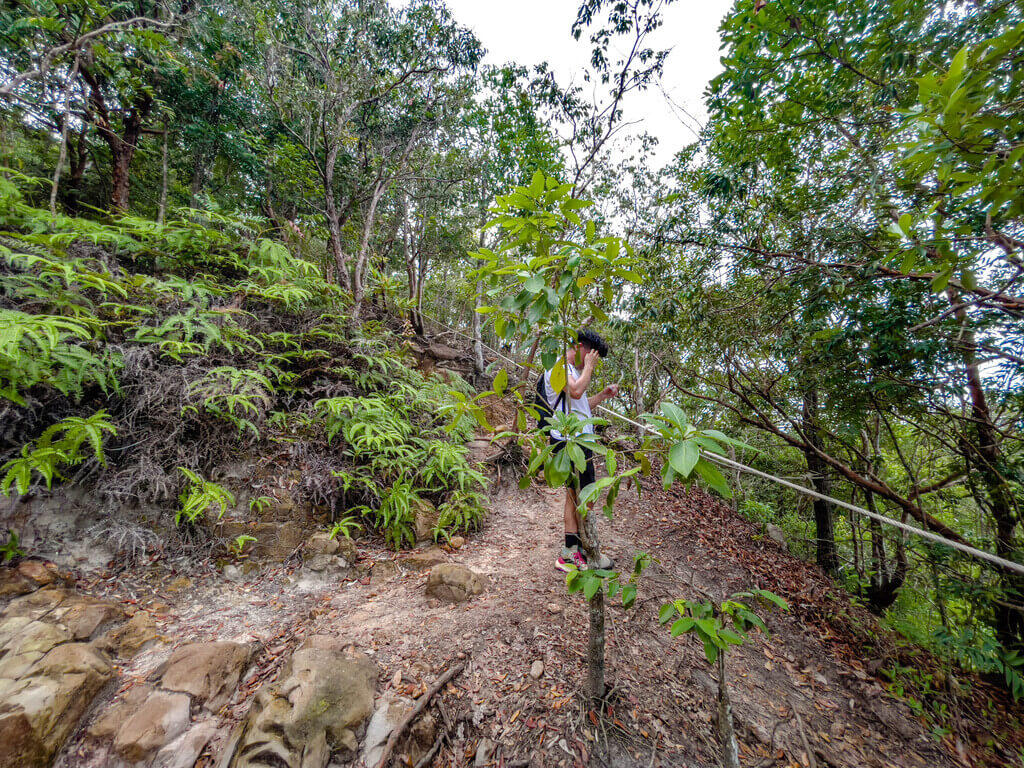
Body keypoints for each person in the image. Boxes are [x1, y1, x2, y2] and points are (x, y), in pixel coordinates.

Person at [543, 328, 619, 572]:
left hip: (579, 441)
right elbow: (575, 391)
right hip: (569, 442)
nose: (591, 360)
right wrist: (589, 367)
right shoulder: (559, 367)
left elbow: (581, 404)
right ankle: (575, 552)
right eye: (591, 354)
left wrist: (603, 395)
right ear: (581, 348)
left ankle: (576, 549)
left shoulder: (572, 371)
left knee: (579, 496)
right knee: (582, 496)